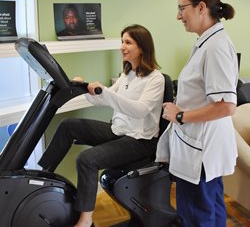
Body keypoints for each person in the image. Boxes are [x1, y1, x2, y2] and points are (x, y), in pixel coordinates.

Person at [38, 24, 165, 227]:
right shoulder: (127, 74)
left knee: (87, 160)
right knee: (68, 125)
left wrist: (103, 92)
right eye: (122, 41)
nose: (122, 46)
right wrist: (82, 87)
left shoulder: (156, 79)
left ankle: (86, 219)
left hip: (140, 140)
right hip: (119, 130)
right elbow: (103, 99)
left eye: (128, 42)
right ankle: (43, 173)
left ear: (142, 47)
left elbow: (139, 109)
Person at [155, 0, 238, 227]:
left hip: (200, 151)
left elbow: (226, 106)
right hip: (201, 148)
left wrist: (179, 115)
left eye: (182, 8)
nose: (178, 15)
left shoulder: (216, 47)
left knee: (196, 215)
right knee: (210, 208)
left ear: (201, 7)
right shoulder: (207, 42)